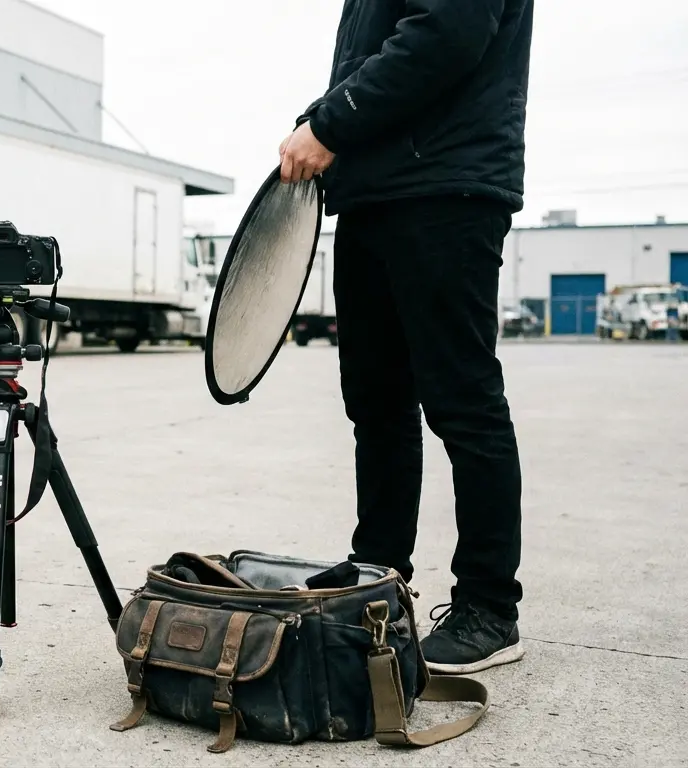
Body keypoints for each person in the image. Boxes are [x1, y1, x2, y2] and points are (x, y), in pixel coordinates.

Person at [279, 0, 533, 675]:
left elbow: (448, 32)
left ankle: (488, 607)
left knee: (464, 401)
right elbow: (378, 57)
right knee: (378, 402)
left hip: (444, 190)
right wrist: (316, 118)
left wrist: (331, 123)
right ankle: (377, 574)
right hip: (374, 194)